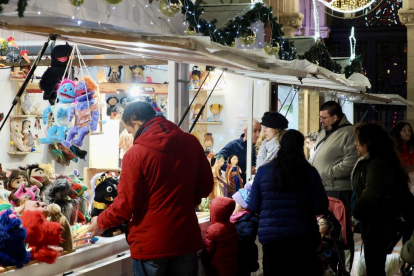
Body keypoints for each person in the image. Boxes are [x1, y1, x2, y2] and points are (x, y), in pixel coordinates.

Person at [88, 101, 214, 276]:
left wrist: (100, 221)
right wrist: (184, 201)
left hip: (151, 244)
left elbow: (126, 204)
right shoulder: (191, 142)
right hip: (185, 238)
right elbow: (206, 185)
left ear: (137, 124)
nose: (131, 137)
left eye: (130, 132)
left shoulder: (135, 154)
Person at [250, 129, 328, 276]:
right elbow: (320, 206)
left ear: (280, 145)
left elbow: (254, 206)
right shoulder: (310, 172)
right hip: (303, 238)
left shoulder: (263, 171)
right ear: (301, 146)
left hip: (272, 239)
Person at [352, 123, 408, 276]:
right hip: (377, 224)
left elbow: (371, 194)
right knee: (375, 266)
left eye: (359, 140)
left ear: (368, 143)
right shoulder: (379, 160)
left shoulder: (376, 164)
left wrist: (356, 211)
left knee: (375, 268)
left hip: (378, 224)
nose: (356, 144)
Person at [310, 101, 358, 271]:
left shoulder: (349, 133)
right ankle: (329, 266)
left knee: (342, 233)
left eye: (324, 118)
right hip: (323, 187)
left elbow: (351, 160)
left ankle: (344, 268)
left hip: (339, 189)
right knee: (326, 232)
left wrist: (328, 172)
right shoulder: (325, 131)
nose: (321, 121)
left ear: (335, 117)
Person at [201, 196, 238, 276]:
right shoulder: (231, 226)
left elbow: (207, 252)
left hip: (217, 270)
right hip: (231, 268)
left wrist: (203, 262)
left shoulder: (213, 230)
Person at [230, 183, 259, 276]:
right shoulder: (235, 218)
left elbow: (248, 241)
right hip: (238, 258)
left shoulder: (249, 221)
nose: (233, 205)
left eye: (236, 203)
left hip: (243, 259)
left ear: (243, 207)